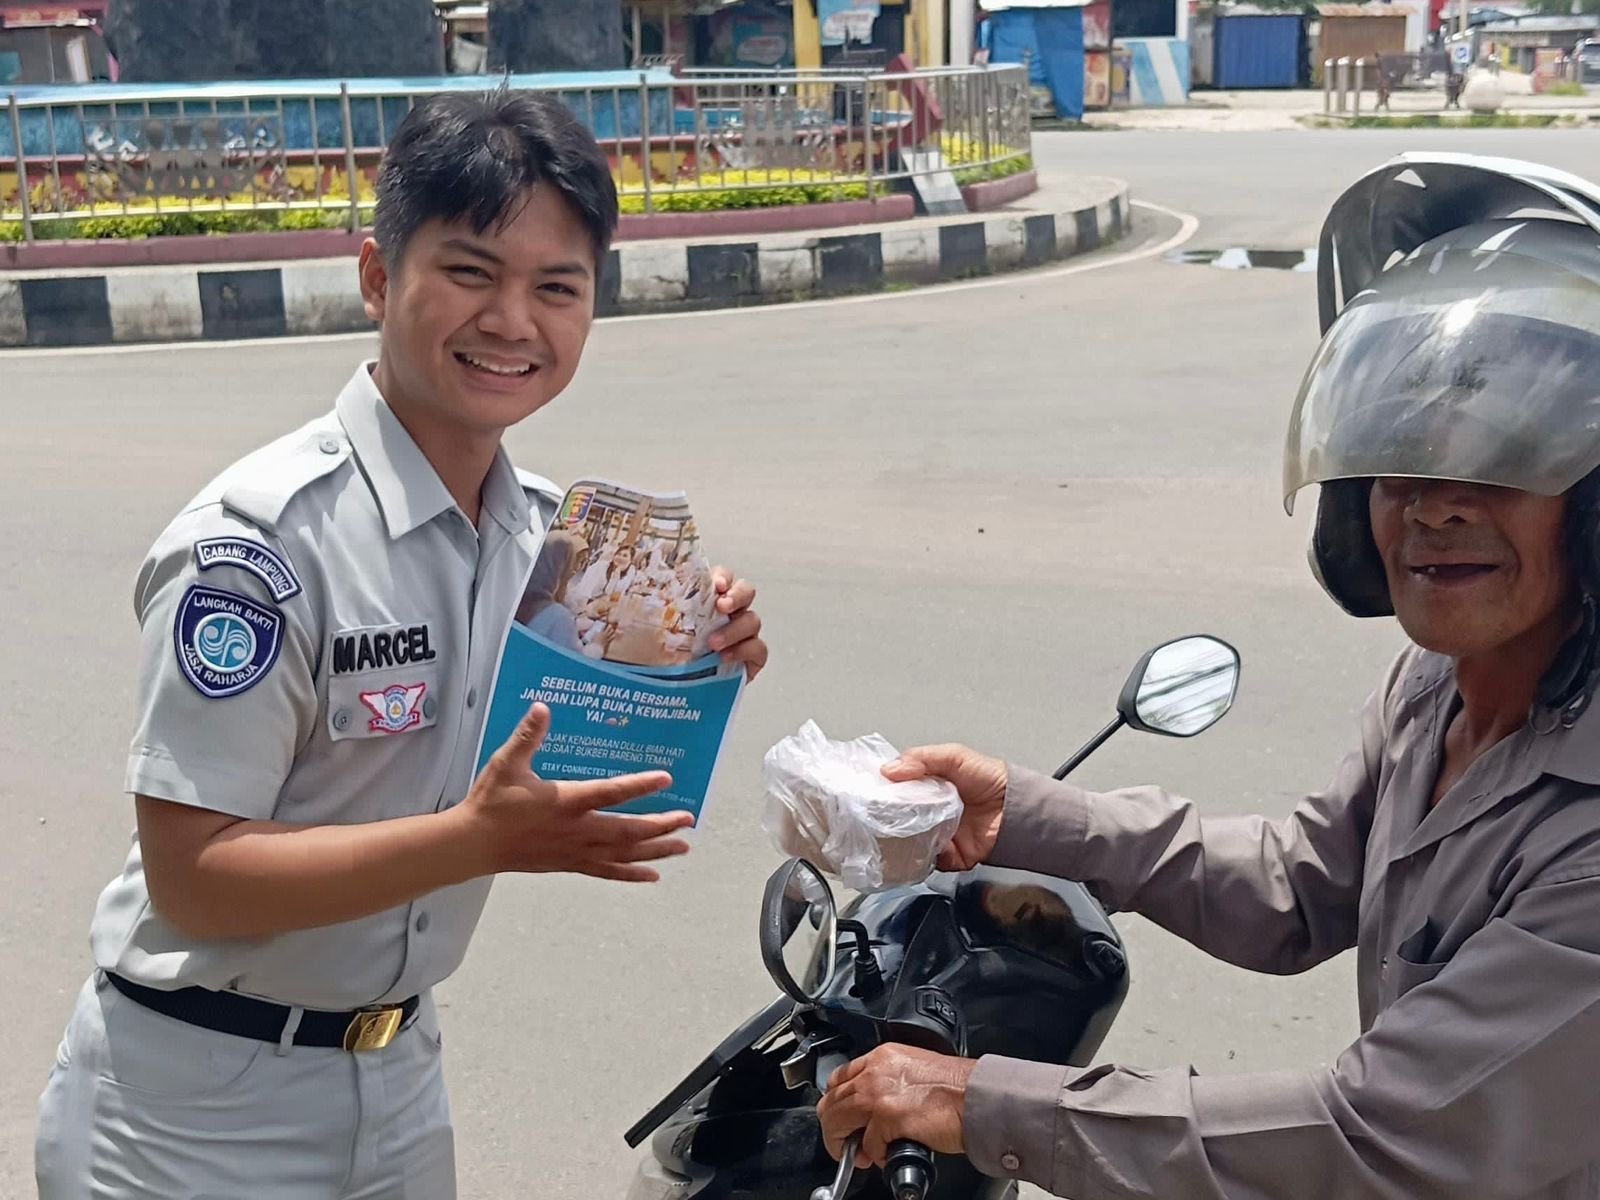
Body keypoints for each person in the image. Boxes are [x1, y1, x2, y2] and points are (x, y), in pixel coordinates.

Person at [817, 153, 1600, 1198]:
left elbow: (1375, 1134)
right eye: (1402, 455)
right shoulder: (1433, 688)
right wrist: (1023, 816)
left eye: (1502, 461)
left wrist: (980, 1103)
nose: (1434, 505)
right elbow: (1298, 888)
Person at [35, 87, 769, 1200]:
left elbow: (601, 738)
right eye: (471, 272)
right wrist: (475, 840)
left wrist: (701, 651)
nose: (513, 321)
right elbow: (194, 881)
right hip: (190, 1113)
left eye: (557, 287)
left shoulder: (554, 547)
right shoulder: (260, 548)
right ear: (379, 277)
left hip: (397, 1079)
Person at [515, 528, 588, 652]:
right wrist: (598, 646)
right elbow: (569, 660)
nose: (576, 567)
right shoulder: (558, 618)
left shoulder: (510, 594)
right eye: (573, 561)